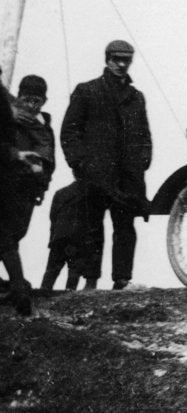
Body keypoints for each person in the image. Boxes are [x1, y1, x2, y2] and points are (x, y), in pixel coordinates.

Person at [60, 40, 152, 290]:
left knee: (125, 227)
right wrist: (79, 162)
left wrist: (142, 162)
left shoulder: (136, 98)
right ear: (107, 59)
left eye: (126, 60)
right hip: (95, 173)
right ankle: (91, 280)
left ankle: (122, 279)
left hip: (127, 176)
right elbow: (69, 131)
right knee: (91, 227)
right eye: (116, 59)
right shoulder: (87, 90)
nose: (121, 64)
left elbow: (145, 136)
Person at [0, 76, 56, 301]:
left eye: (37, 101)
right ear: (18, 97)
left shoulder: (43, 126)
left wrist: (42, 187)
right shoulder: (9, 118)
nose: (31, 105)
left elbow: (48, 161)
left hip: (28, 190)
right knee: (5, 236)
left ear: (43, 101)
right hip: (8, 184)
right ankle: (18, 287)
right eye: (27, 99)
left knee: (14, 236)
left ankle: (17, 284)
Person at [40, 182, 88, 291]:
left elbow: (53, 217)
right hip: (77, 236)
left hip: (58, 236)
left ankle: (43, 291)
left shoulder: (60, 192)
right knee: (74, 270)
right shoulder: (87, 193)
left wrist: (52, 238)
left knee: (51, 271)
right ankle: (69, 293)